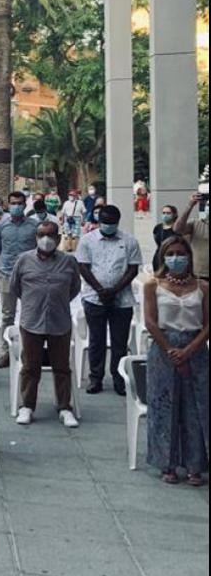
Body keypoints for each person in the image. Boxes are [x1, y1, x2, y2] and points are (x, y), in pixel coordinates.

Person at [142, 236, 209, 485]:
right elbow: (150, 321)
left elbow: (207, 323)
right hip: (164, 348)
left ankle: (195, 464)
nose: (176, 258)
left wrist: (189, 350)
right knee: (164, 405)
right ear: (163, 257)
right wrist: (171, 350)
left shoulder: (202, 287)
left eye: (181, 253)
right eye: (171, 254)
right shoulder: (153, 285)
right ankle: (166, 463)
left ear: (189, 257)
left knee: (196, 407)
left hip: (196, 348)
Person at [11, 221, 82, 426]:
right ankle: (27, 406)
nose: (46, 239)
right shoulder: (23, 260)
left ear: (58, 238)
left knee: (62, 367)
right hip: (31, 320)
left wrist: (56, 300)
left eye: (51, 235)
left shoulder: (69, 262)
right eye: (41, 235)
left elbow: (74, 288)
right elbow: (16, 287)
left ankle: (64, 407)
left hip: (59, 321)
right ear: (36, 238)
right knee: (30, 367)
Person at [75, 204, 141, 396]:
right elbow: (83, 267)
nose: (109, 226)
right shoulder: (87, 240)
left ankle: (119, 378)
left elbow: (133, 269)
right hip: (94, 298)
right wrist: (100, 290)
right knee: (97, 340)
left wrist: (114, 290)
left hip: (122, 299)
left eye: (112, 223)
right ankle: (95, 378)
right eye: (105, 223)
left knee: (120, 341)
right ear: (99, 221)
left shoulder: (129, 241)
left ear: (118, 222)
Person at [0, 192, 39, 367]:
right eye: (13, 203)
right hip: (6, 273)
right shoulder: (0, 226)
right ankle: (5, 352)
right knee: (7, 315)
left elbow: (38, 249)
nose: (16, 206)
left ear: (25, 204)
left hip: (29, 275)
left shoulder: (34, 226)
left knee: (30, 314)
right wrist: (2, 265)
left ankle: (29, 351)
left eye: (20, 203)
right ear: (8, 204)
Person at [173, 191, 210, 282]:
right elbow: (177, 229)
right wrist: (190, 205)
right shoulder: (196, 223)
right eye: (208, 205)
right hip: (199, 274)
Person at [151, 204, 179, 271]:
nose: (165, 215)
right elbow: (156, 240)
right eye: (163, 213)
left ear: (174, 215)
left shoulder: (177, 229)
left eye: (168, 213)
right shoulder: (158, 227)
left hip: (171, 258)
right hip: (158, 257)